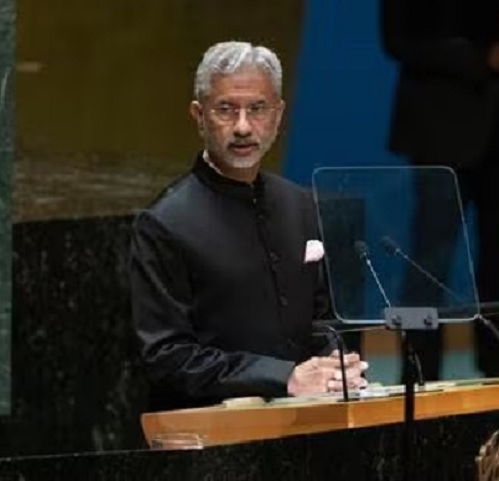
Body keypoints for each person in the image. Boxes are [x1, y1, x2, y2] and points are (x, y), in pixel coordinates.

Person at [130, 41, 368, 411]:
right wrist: (284, 377)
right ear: (199, 115)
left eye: (257, 109)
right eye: (226, 109)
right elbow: (166, 356)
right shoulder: (164, 224)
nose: (243, 126)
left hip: (309, 419)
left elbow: (323, 320)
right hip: (214, 433)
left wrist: (336, 366)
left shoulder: (302, 205)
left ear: (278, 114)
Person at [380, 0, 499, 380]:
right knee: (427, 263)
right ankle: (417, 374)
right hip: (442, 129)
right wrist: (485, 56)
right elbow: (398, 40)